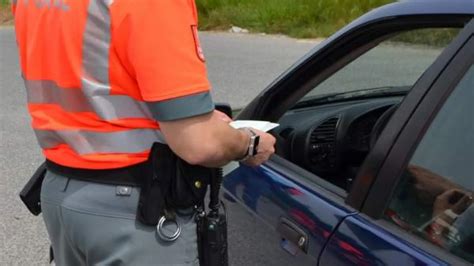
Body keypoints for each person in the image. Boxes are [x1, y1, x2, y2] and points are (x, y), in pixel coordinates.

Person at [11, 0, 276, 265]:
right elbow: (199, 143)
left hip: (62, 195)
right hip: (133, 212)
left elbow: (93, 78)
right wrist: (249, 143)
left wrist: (192, 118)